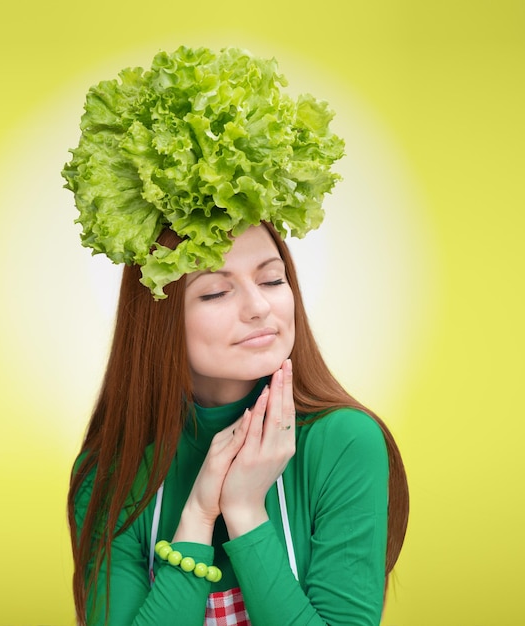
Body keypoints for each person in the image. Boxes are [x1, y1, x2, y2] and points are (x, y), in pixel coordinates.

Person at [62, 46, 409, 626]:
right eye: (216, 292)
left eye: (272, 280)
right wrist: (199, 512)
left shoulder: (344, 443)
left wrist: (245, 509)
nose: (258, 309)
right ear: (159, 319)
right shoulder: (112, 473)